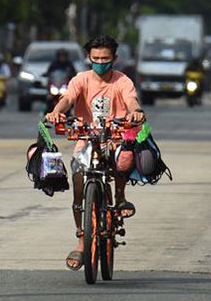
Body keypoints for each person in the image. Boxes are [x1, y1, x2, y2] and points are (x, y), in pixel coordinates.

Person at [45, 35, 146, 271]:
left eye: (105, 58)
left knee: (123, 160)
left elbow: (132, 101)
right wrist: (56, 112)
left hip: (116, 137)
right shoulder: (80, 80)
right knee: (79, 180)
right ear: (89, 58)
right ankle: (82, 241)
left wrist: (135, 112)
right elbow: (67, 98)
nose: (101, 62)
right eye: (96, 58)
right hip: (86, 138)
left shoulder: (123, 81)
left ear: (114, 59)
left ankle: (119, 198)